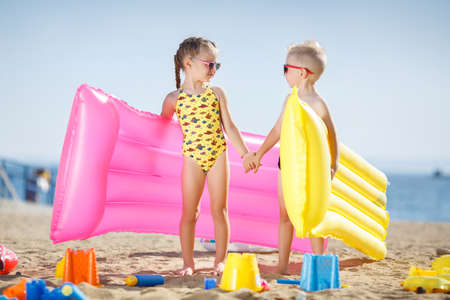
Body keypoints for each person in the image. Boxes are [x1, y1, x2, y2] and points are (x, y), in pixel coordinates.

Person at [160, 37, 254, 276]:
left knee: (219, 210)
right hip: (191, 157)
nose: (213, 69)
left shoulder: (217, 93)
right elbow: (161, 127)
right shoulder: (173, 99)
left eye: (216, 65)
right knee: (189, 213)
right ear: (189, 63)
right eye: (209, 64)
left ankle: (220, 261)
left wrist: (244, 153)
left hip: (217, 155)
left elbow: (230, 127)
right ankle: (188, 263)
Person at [244, 40, 339, 274]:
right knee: (284, 215)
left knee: (315, 214)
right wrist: (259, 153)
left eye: (285, 69)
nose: (284, 74)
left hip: (313, 169)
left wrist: (333, 165)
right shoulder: (290, 100)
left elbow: (332, 136)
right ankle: (283, 265)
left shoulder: (318, 104)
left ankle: (319, 260)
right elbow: (277, 130)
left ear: (302, 73)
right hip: (286, 166)